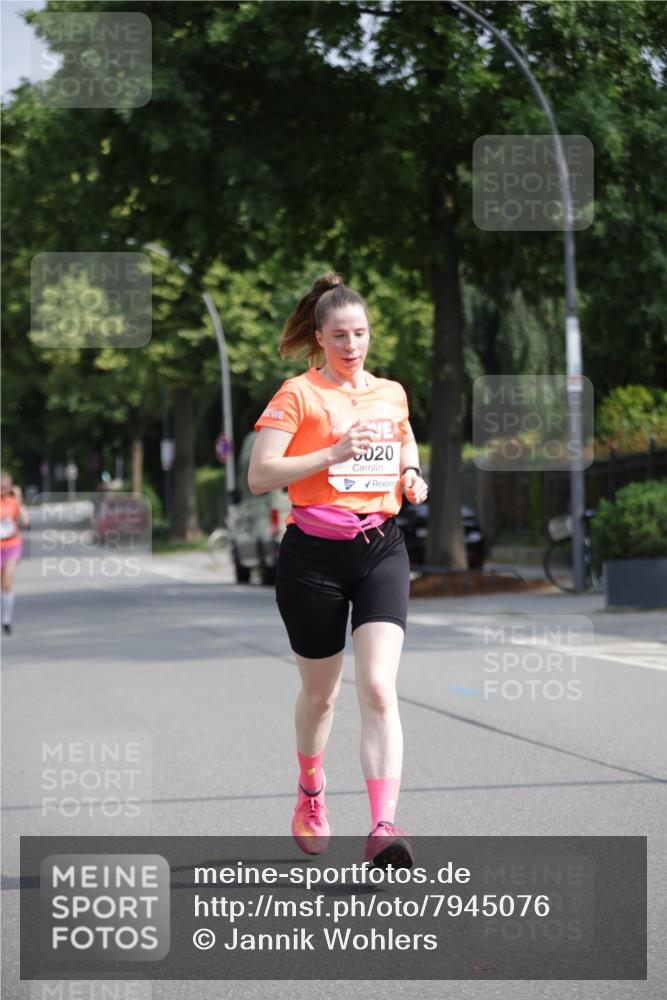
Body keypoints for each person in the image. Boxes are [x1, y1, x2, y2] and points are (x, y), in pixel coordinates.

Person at [248, 273, 428, 868]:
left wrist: (410, 474)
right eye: (341, 335)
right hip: (312, 557)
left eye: (362, 334)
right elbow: (260, 475)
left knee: (378, 687)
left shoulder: (392, 393)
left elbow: (404, 442)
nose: (353, 345)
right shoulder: (297, 395)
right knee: (321, 697)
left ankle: (383, 826)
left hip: (380, 545)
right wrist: (332, 453)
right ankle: (311, 788)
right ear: (320, 337)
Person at [1, 471, 30, 635]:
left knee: (6, 581)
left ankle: (6, 620)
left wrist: (19, 500)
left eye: (4, 486)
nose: (2, 489)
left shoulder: (13, 502)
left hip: (12, 544)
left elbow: (25, 521)